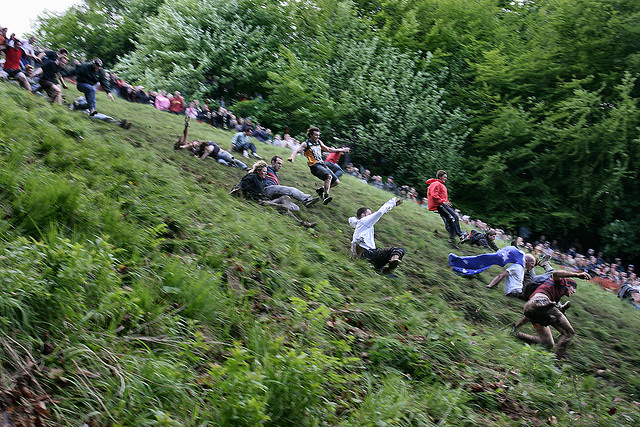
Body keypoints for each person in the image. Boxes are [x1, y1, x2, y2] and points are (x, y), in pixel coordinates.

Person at [512, 270, 591, 359]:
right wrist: (577, 275)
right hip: (542, 303)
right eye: (574, 288)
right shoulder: (561, 283)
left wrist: (515, 326)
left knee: (547, 343)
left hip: (530, 308)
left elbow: (529, 315)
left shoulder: (552, 293)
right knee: (569, 332)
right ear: (568, 285)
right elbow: (555, 274)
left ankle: (514, 334)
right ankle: (557, 362)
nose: (574, 291)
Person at [233, 161, 317, 228]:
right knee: (284, 207)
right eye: (263, 172)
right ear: (258, 171)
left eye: (266, 172)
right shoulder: (252, 176)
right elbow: (242, 183)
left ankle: (291, 216)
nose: (265, 174)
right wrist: (235, 191)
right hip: (261, 202)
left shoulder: (261, 180)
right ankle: (302, 223)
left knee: (286, 198)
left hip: (268, 200)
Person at [287, 126, 350, 205]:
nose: (317, 137)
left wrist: (342, 150)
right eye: (315, 135)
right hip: (314, 166)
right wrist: (292, 157)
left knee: (336, 182)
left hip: (322, 164)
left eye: (318, 135)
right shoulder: (306, 144)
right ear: (310, 135)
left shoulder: (319, 142)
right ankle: (325, 196)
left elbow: (329, 149)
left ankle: (321, 190)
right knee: (328, 176)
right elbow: (297, 150)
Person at [349, 197, 405, 275]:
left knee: (390, 276)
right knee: (398, 250)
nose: (371, 215)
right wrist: (392, 203)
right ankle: (390, 266)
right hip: (368, 254)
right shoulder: (364, 221)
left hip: (364, 257)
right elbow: (379, 212)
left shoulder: (360, 225)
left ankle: (381, 269)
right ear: (363, 215)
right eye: (369, 214)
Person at [174, 117, 249, 170]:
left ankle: (244, 167)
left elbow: (209, 150)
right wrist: (183, 148)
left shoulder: (208, 143)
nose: (195, 144)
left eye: (196, 143)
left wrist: (205, 154)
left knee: (233, 159)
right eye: (194, 143)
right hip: (217, 158)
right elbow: (190, 148)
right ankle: (235, 167)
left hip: (223, 153)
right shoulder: (198, 149)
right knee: (223, 163)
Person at [426, 170, 466, 246]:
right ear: (440, 177)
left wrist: (445, 202)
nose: (445, 179)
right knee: (453, 218)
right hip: (440, 205)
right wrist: (442, 202)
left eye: (446, 177)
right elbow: (434, 195)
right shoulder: (436, 184)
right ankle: (460, 235)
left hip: (441, 205)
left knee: (450, 221)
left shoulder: (440, 184)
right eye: (444, 177)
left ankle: (452, 240)